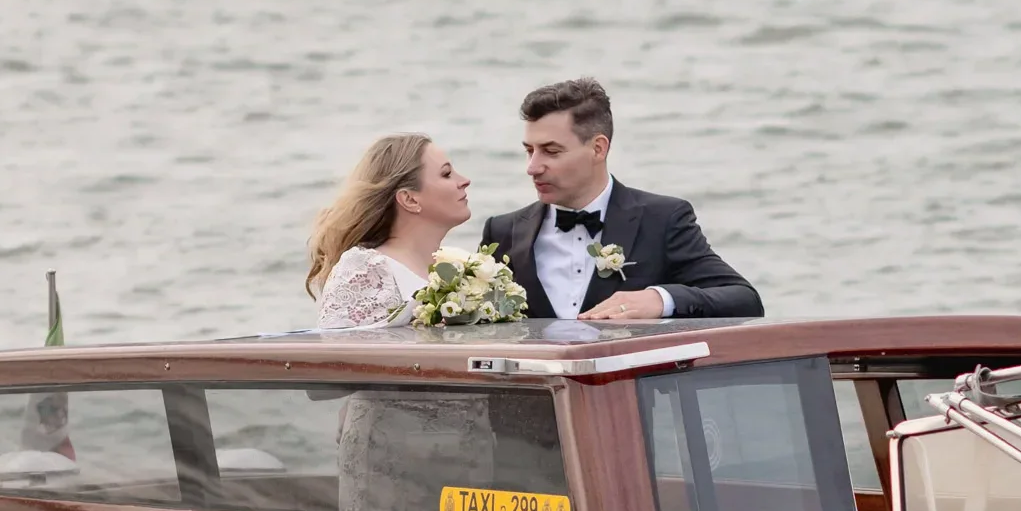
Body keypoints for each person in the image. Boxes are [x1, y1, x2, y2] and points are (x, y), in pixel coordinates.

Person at [477, 78, 762, 322]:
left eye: (551, 151)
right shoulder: (504, 232)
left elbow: (744, 299)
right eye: (530, 151)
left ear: (598, 148)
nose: (533, 167)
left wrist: (660, 300)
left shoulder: (662, 219)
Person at [304, 134, 472, 329]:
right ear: (409, 199)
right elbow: (340, 352)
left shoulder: (451, 267)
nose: (465, 181)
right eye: (446, 174)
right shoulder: (367, 268)